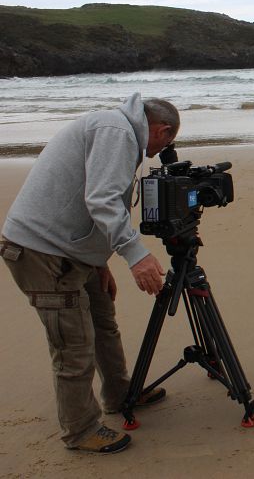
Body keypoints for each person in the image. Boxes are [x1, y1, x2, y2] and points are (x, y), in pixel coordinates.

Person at [0, 93, 179, 454]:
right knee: (73, 345)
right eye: (166, 143)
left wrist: (98, 262)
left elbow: (90, 199)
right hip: (42, 252)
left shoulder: (116, 129)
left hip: (70, 250)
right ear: (162, 130)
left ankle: (119, 393)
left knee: (102, 322)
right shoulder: (116, 131)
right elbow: (101, 200)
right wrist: (135, 255)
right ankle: (80, 431)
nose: (160, 152)